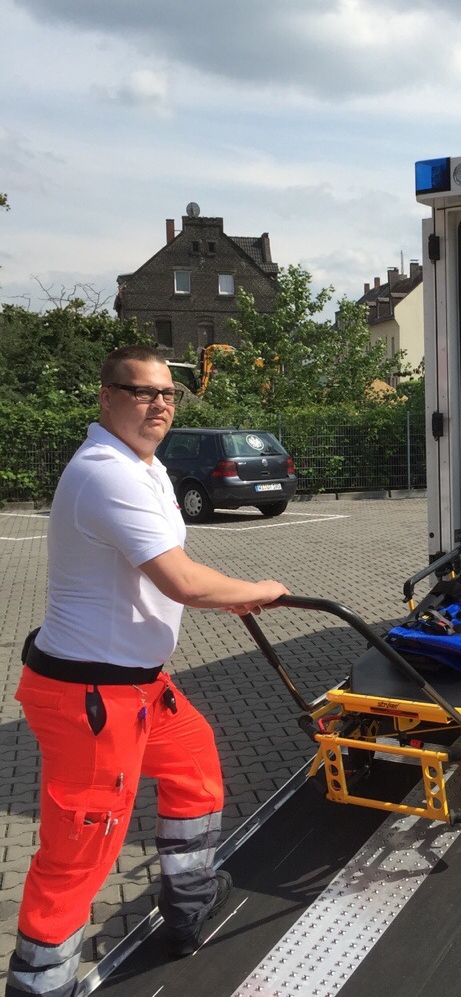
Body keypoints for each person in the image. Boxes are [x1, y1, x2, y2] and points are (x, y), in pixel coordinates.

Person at [7, 346, 289, 997]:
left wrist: (223, 595)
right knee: (80, 853)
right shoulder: (106, 473)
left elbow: (168, 569)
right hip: (90, 696)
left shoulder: (148, 467)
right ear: (107, 398)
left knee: (194, 763)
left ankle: (188, 902)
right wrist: (257, 591)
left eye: (167, 394)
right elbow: (181, 581)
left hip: (138, 686)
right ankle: (39, 983)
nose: (158, 404)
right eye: (142, 392)